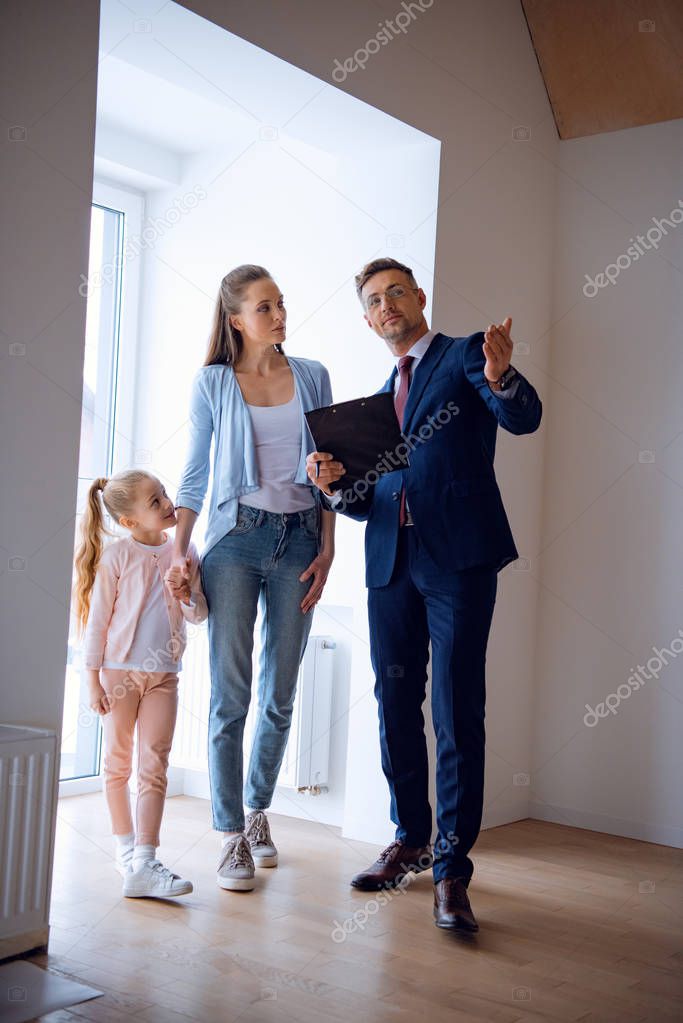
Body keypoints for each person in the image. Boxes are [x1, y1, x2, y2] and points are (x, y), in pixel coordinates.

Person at [306, 257, 542, 932]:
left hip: (457, 560)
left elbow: (519, 415)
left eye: (395, 292)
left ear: (418, 297)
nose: (386, 305)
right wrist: (332, 484)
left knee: (454, 708)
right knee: (393, 704)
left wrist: (500, 375)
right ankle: (409, 837)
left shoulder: (465, 356)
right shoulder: (380, 399)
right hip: (390, 562)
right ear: (366, 317)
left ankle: (450, 869)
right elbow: (369, 494)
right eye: (374, 300)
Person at [166, 264, 335, 892]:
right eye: (266, 308)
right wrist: (180, 554)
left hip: (300, 543)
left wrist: (328, 548)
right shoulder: (213, 383)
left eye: (282, 304)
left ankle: (259, 812)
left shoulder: (313, 376)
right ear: (237, 319)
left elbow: (331, 473)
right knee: (229, 695)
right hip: (234, 543)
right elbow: (194, 475)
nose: (280, 315)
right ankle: (230, 834)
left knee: (280, 691)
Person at [73, 469, 208, 898]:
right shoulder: (117, 557)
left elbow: (200, 614)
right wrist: (91, 679)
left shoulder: (185, 552)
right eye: (155, 501)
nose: (168, 503)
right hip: (117, 674)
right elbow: (96, 625)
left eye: (164, 494)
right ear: (130, 522)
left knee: (155, 763)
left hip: (164, 675)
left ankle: (147, 860)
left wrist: (186, 592)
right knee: (118, 764)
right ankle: (125, 848)